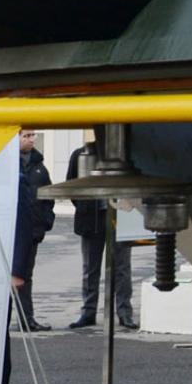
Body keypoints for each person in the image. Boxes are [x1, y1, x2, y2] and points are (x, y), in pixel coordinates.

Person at [65, 135, 135, 330]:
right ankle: (88, 312)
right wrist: (84, 206)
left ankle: (124, 312)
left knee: (122, 268)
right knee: (90, 268)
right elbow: (71, 185)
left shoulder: (125, 154)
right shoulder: (81, 155)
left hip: (121, 216)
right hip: (92, 218)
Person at [11, 129, 55, 331]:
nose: (31, 139)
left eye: (32, 135)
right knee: (9, 276)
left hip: (32, 232)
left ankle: (26, 319)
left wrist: (45, 222)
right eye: (26, 136)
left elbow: (48, 196)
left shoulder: (39, 167)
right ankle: (3, 319)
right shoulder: (8, 163)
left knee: (25, 276)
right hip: (11, 230)